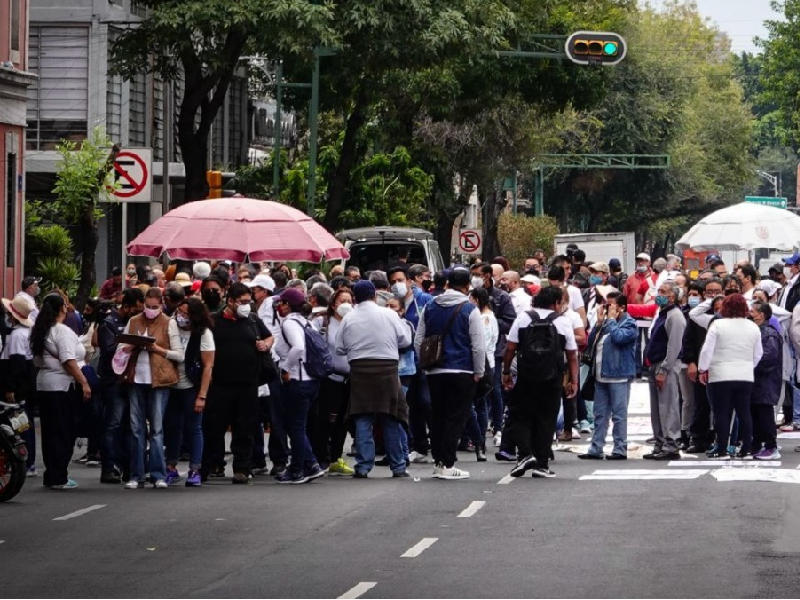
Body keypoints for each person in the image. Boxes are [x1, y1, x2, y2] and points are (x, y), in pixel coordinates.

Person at [337, 280, 413, 478]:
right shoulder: (389, 314)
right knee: (391, 417)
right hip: (387, 370)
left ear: (355, 297)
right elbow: (406, 340)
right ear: (374, 296)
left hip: (360, 371)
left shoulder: (349, 318)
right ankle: (398, 465)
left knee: (363, 418)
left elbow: (339, 348)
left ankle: (362, 466)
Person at [501, 286, 579, 479]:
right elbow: (572, 355)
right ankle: (542, 464)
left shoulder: (524, 318)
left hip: (527, 375)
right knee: (547, 418)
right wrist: (573, 381)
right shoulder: (562, 321)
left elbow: (510, 348)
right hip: (553, 377)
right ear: (556, 303)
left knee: (520, 415)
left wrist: (506, 372)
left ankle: (525, 454)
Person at [415, 270, 486, 480]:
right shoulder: (470, 309)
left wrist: (425, 365)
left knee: (438, 416)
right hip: (462, 370)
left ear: (447, 284)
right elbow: (478, 345)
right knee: (456, 418)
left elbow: (419, 340)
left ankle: (438, 461)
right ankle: (447, 463)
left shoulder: (430, 306)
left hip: (435, 370)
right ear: (467, 287)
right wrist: (479, 371)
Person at [201, 282, 272, 484]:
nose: (246, 306)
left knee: (245, 428)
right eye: (242, 302)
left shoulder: (252, 320)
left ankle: (242, 467)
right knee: (214, 427)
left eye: (248, 302)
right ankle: (209, 465)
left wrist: (264, 344)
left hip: (248, 384)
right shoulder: (213, 322)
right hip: (220, 384)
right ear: (230, 301)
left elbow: (269, 337)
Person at [119, 287, 180, 489]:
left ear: (161, 305)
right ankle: (136, 475)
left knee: (156, 429)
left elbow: (179, 354)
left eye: (155, 307)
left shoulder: (168, 323)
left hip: (159, 380)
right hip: (136, 379)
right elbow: (121, 348)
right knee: (136, 429)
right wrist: (132, 346)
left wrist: (158, 349)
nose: (151, 310)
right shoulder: (134, 321)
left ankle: (158, 474)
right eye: (148, 306)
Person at [30, 294, 92, 489]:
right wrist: (84, 382)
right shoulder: (61, 332)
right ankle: (59, 476)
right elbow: (68, 361)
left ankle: (53, 474)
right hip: (61, 386)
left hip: (45, 384)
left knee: (50, 432)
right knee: (62, 431)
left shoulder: (41, 331)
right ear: (62, 309)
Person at [698, 294, 762, 459]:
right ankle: (746, 448)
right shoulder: (753, 326)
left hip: (721, 374)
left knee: (722, 413)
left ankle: (722, 449)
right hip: (745, 375)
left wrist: (703, 369)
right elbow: (758, 354)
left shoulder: (717, 325)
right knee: (744, 412)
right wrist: (748, 365)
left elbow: (707, 351)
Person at [272, 288, 325, 484]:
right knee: (297, 426)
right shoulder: (307, 322)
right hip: (311, 381)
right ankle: (310, 465)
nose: (278, 306)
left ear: (287, 304)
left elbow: (299, 348)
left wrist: (285, 368)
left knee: (296, 428)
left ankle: (297, 470)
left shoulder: (290, 323)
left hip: (297, 381)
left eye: (281, 303)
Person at [578, 292, 637, 460]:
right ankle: (596, 448)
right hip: (600, 375)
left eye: (610, 305)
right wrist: (598, 323)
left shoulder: (629, 324)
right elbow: (590, 343)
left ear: (621, 307)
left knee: (619, 415)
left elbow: (619, 338)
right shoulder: (604, 324)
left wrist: (610, 320)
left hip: (619, 376)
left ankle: (620, 448)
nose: (607, 309)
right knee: (600, 414)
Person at [164, 298, 215, 487]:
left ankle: (195, 469)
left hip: (191, 386)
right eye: (180, 312)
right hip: (171, 384)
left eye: (186, 314)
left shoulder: (203, 334)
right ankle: (171, 467)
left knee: (194, 428)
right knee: (172, 428)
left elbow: (208, 366)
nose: (181, 317)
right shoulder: (171, 328)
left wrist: (202, 395)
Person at [96, 287, 143, 483]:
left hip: (132, 379)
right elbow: (108, 351)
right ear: (126, 307)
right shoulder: (108, 324)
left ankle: (127, 465)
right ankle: (109, 467)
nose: (139, 313)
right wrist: (130, 344)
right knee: (113, 424)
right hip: (113, 381)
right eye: (136, 309)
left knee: (130, 425)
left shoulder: (135, 323)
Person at [310, 287, 355, 476]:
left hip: (350, 379)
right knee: (326, 420)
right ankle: (322, 458)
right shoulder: (322, 321)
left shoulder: (354, 322)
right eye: (341, 300)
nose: (345, 304)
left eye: (349, 301)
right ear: (333, 303)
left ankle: (336, 458)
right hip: (329, 379)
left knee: (343, 421)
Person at [247, 273, 288, 476]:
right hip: (258, 365)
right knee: (256, 413)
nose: (252, 294)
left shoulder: (274, 306)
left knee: (274, 414)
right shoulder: (254, 310)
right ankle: (258, 458)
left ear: (264, 291)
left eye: (254, 290)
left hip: (273, 365)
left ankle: (279, 458)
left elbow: (279, 334)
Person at [643, 281, 686, 460]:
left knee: (668, 405)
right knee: (657, 407)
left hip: (665, 364)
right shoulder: (662, 313)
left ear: (673, 296)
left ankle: (671, 444)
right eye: (659, 291)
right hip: (655, 363)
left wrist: (665, 368)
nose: (659, 294)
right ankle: (660, 442)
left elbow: (674, 345)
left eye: (664, 292)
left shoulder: (675, 316)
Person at [1, 297, 36, 476]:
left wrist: (10, 388)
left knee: (18, 423)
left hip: (18, 385)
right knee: (25, 423)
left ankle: (25, 460)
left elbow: (16, 364)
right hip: (27, 382)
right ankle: (30, 461)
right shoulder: (27, 332)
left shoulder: (16, 336)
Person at [464, 287, 498, 461]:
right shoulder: (491, 317)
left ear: (476, 300)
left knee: (476, 404)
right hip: (487, 363)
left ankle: (478, 440)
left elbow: (479, 344)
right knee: (481, 404)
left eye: (470, 298)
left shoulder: (482, 318)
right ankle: (479, 440)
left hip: (481, 364)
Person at [749, 302, 782, 460]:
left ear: (761, 314)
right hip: (757, 381)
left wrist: (751, 366)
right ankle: (757, 445)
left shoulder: (768, 333)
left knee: (764, 413)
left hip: (765, 381)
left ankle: (771, 446)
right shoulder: (758, 331)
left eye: (752, 311)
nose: (750, 314)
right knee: (756, 413)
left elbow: (769, 358)